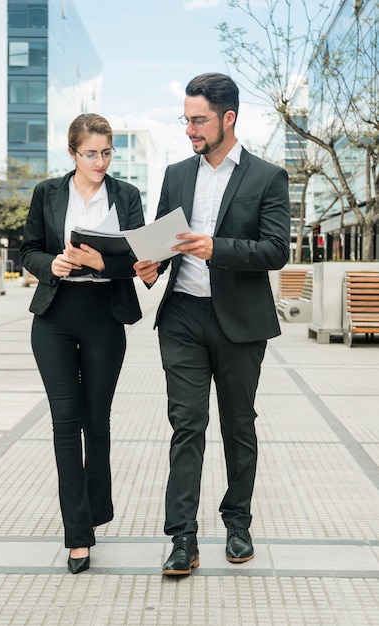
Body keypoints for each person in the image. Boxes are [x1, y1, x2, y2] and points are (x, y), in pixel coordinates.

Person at [134, 73, 290, 576]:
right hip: (181, 315)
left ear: (229, 118)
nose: (190, 130)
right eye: (186, 119)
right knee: (187, 426)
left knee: (239, 426)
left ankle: (238, 523)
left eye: (198, 120)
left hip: (240, 323)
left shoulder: (267, 177)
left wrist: (215, 248)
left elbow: (276, 250)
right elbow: (160, 238)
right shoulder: (178, 173)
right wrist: (150, 264)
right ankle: (182, 537)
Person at [20, 113, 144, 574]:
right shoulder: (47, 193)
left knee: (97, 421)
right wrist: (51, 263)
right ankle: (78, 535)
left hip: (104, 317)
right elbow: (27, 247)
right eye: (91, 153)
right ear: (72, 152)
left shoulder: (126, 195)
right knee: (65, 423)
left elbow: (138, 258)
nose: (100, 161)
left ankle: (95, 511)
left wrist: (103, 262)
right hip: (54, 316)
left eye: (107, 152)